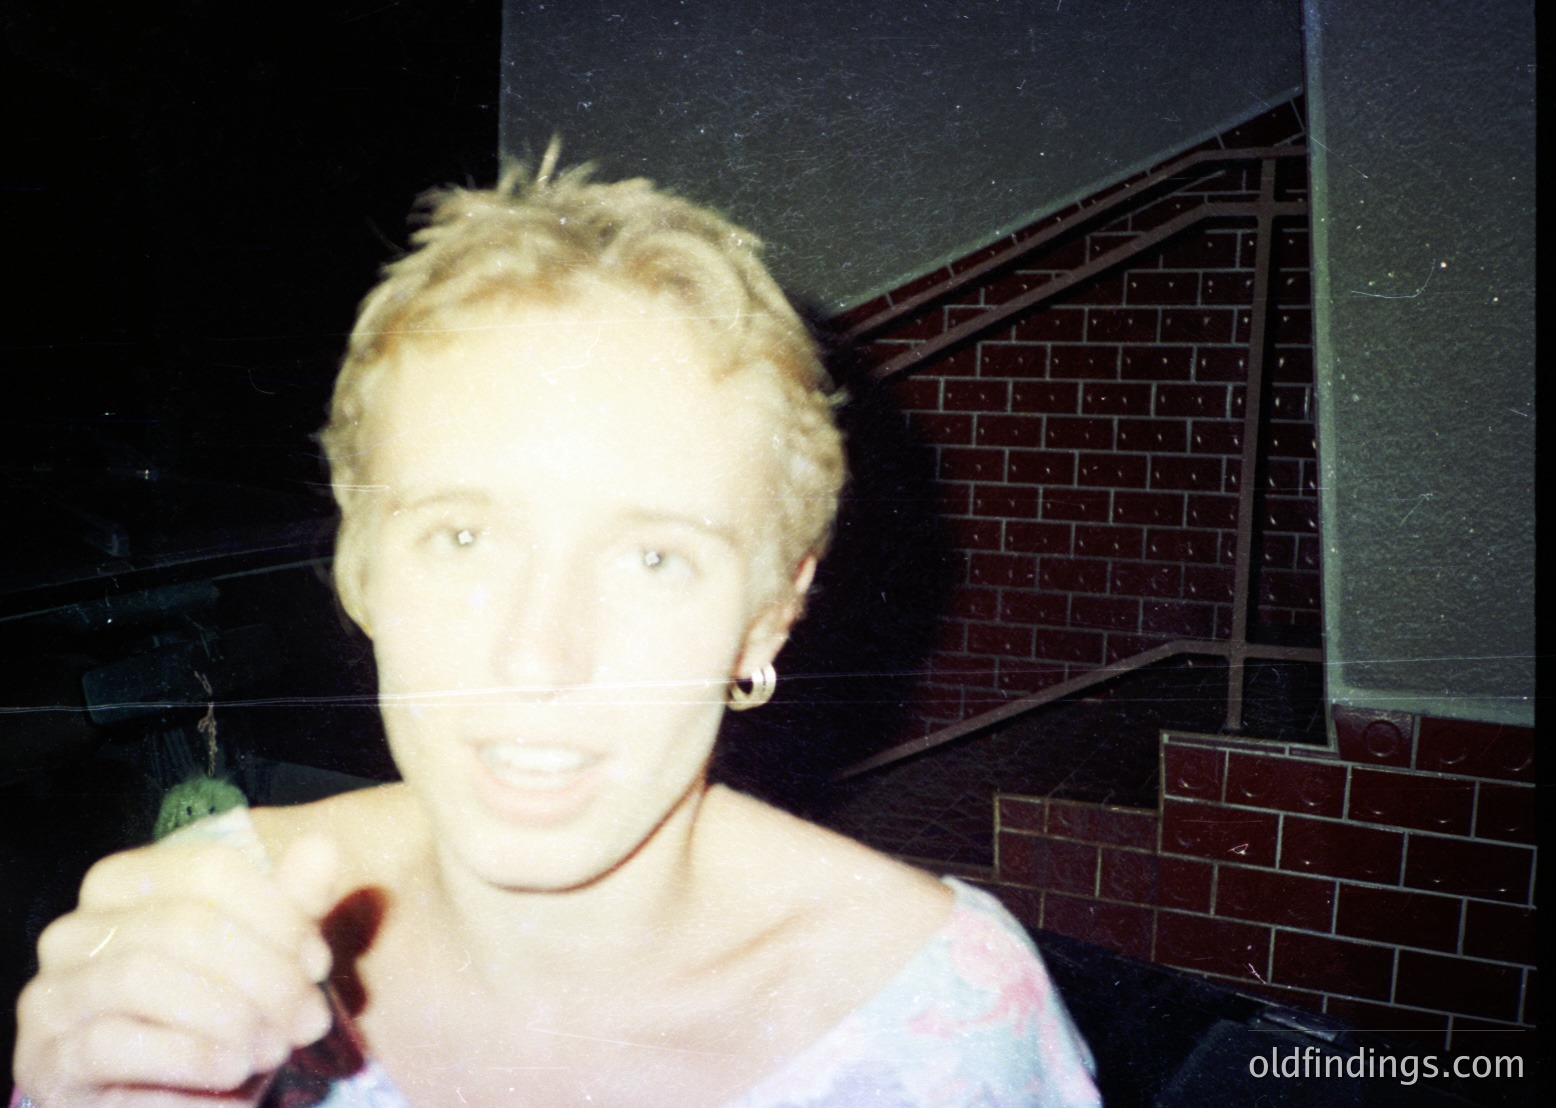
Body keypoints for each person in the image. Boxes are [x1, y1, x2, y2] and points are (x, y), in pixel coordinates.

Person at [12, 148, 1099, 1106]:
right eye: (463, 538)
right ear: (359, 566)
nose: (537, 656)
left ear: (767, 617)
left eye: (652, 558)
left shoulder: (946, 1023)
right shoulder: (210, 929)